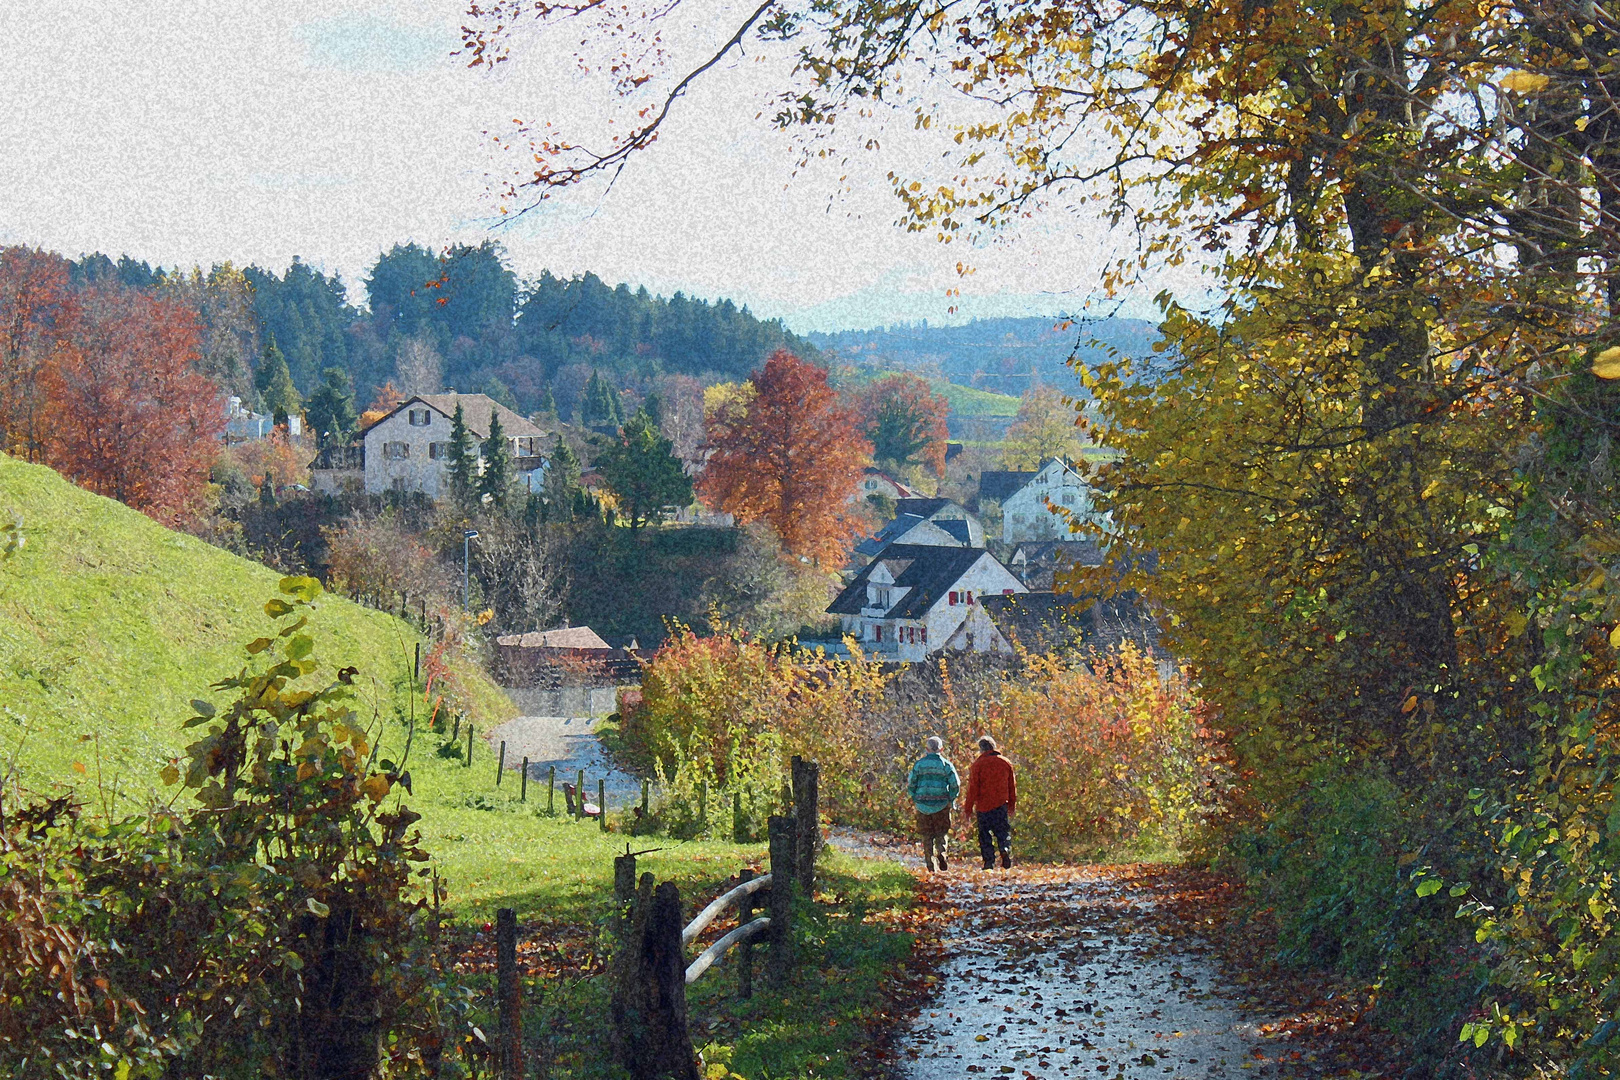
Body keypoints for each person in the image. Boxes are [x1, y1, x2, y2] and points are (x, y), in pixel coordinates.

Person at [906, 735, 960, 871]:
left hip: (922, 805)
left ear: (927, 749)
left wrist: (914, 797)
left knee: (927, 835)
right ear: (941, 749)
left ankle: (931, 865)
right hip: (941, 804)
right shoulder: (946, 765)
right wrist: (951, 798)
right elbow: (956, 784)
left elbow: (911, 782)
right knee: (941, 833)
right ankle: (942, 853)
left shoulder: (919, 765)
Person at [962, 735, 1016, 869]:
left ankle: (989, 862)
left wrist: (968, 809)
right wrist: (1011, 805)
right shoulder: (1005, 763)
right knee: (1002, 832)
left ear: (981, 749)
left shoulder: (977, 765)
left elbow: (973, 789)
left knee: (985, 835)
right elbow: (1012, 786)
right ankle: (1005, 849)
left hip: (983, 807)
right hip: (1001, 804)